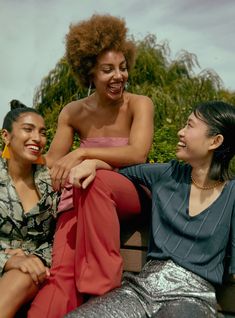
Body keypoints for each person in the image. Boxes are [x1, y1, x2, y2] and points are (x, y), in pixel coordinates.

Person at [27, 14, 154, 317]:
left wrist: (87, 157)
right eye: (107, 70)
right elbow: (55, 162)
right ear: (90, 74)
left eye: (122, 68)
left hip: (130, 190)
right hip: (82, 195)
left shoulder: (139, 104)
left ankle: (101, 296)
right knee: (62, 274)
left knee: (93, 181)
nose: (118, 76)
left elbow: (137, 154)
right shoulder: (73, 112)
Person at [65, 100, 235, 318]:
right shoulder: (166, 174)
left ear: (215, 141)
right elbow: (121, 171)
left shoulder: (231, 195)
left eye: (190, 126)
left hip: (191, 299)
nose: (180, 132)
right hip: (139, 291)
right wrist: (92, 162)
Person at [0, 100, 58, 318]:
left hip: (32, 273)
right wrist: (8, 260)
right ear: (6, 136)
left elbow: (62, 237)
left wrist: (34, 258)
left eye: (42, 132)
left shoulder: (52, 182)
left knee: (23, 274)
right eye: (28, 129)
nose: (37, 138)